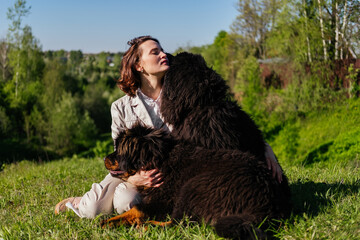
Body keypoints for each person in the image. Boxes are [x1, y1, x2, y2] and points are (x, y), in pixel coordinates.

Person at [54, 35, 283, 218]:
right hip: (131, 171)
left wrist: (265, 148)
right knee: (91, 210)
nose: (163, 54)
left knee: (126, 203)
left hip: (166, 173)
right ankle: (77, 202)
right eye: (155, 52)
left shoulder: (180, 94)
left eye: (162, 50)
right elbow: (120, 156)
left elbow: (227, 120)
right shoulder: (121, 108)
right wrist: (134, 178)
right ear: (139, 65)